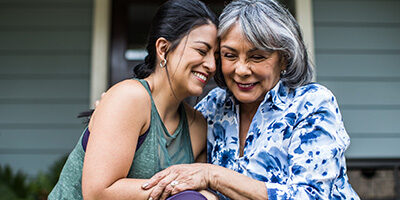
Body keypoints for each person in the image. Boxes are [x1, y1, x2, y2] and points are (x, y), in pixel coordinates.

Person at [142, 0, 360, 199]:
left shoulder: (311, 103)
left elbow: (311, 195)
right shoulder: (213, 106)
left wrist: (213, 175)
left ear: (284, 59)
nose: (242, 69)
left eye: (257, 57)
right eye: (229, 55)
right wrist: (126, 111)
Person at [48, 0, 219, 199]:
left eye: (216, 56)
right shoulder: (130, 98)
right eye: (201, 51)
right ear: (163, 49)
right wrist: (178, 186)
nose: (212, 65)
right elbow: (98, 193)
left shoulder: (197, 126)